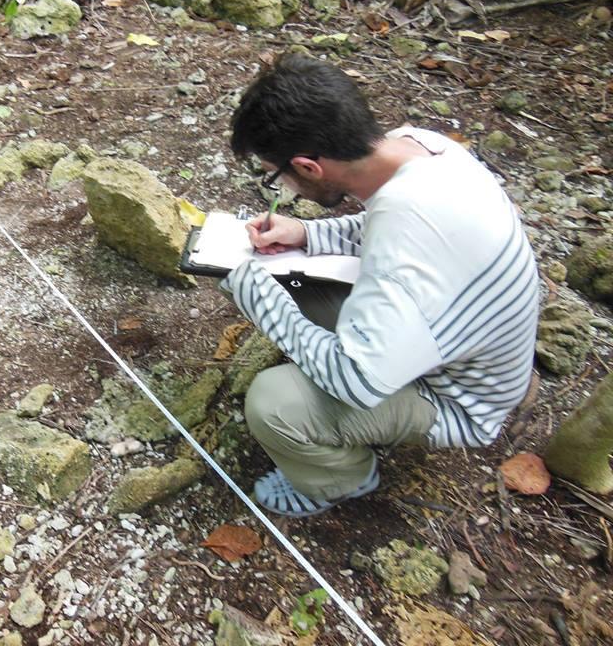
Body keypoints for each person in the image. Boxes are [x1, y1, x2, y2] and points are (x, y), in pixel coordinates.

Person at [221, 54, 539, 518]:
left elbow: (358, 382)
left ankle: (341, 479)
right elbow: (379, 226)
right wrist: (308, 234)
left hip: (460, 399)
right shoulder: (420, 147)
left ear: (309, 167)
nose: (282, 186)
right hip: (464, 347)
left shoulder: (404, 239)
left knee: (274, 403)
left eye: (277, 174)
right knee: (292, 278)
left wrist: (260, 300)